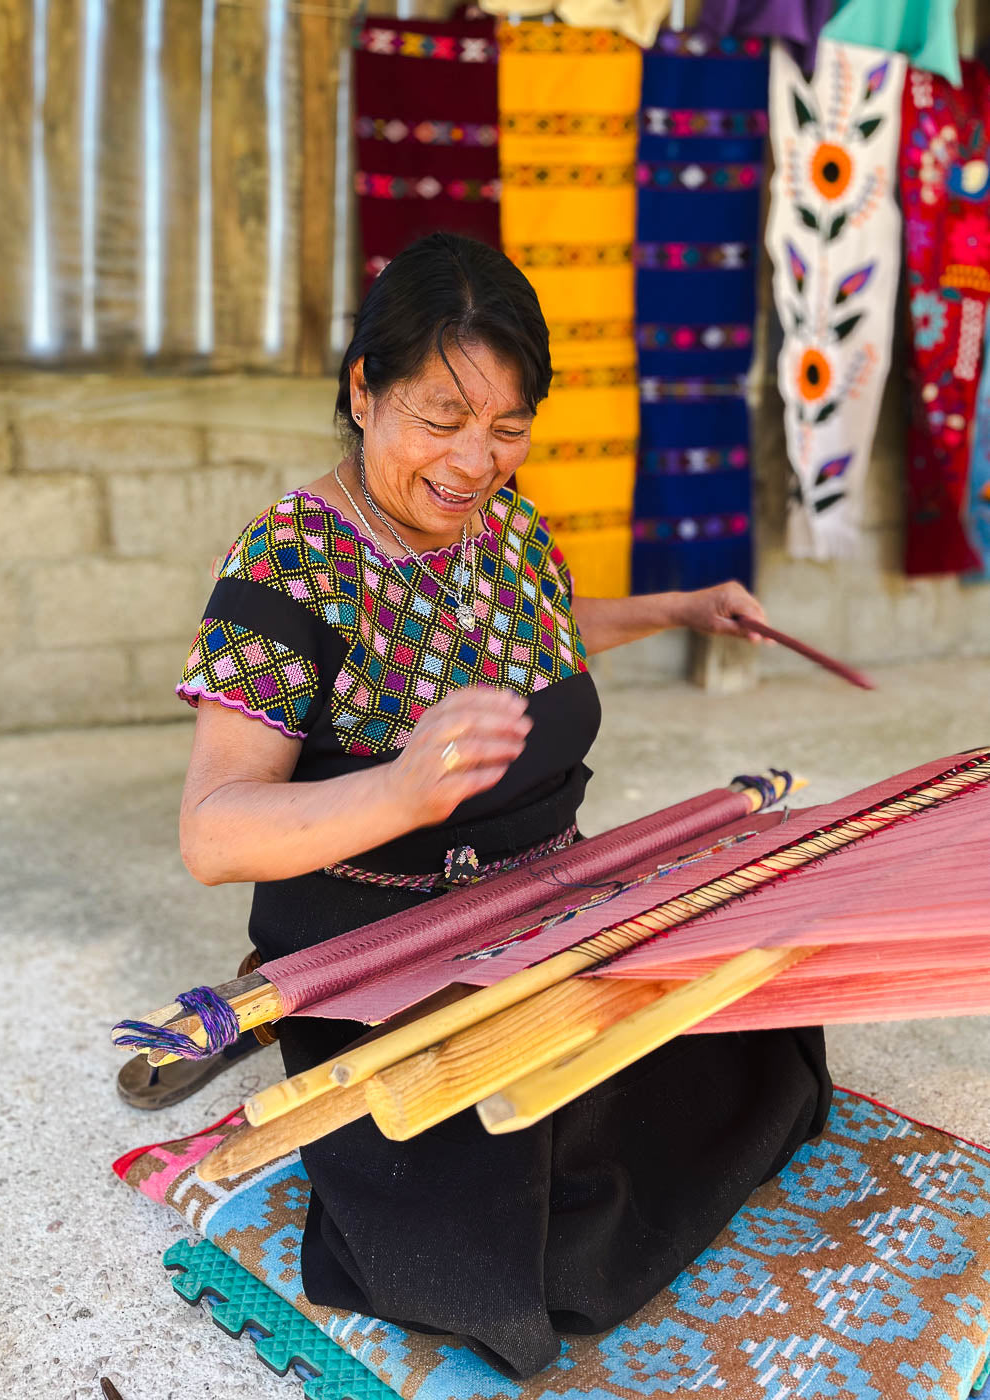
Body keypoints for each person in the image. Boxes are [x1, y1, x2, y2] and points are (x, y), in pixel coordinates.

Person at [169, 233, 830, 1379]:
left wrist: (678, 607)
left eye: (507, 425)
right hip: (387, 957)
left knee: (750, 1011)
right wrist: (399, 785)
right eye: (441, 414)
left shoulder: (509, 532)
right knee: (515, 1191)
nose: (474, 460)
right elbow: (213, 830)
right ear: (363, 390)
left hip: (547, 914)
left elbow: (548, 623)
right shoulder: (288, 564)